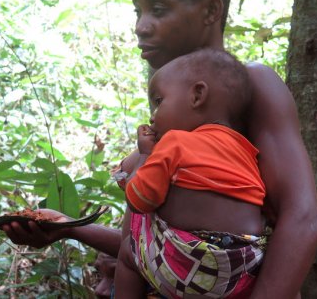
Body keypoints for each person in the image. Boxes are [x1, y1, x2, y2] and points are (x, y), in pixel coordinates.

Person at [2, 0, 317, 298]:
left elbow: (301, 219)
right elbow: (169, 246)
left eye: (158, 9)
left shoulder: (254, 84)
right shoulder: (175, 109)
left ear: (211, 11)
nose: (141, 27)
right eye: (137, 12)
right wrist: (68, 229)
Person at [114, 49, 267, 298]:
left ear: (197, 95)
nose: (153, 117)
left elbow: (139, 200)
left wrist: (145, 155)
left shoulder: (175, 142)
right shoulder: (248, 151)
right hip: (243, 270)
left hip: (190, 267)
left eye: (159, 101)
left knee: (128, 249)